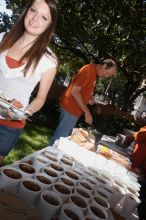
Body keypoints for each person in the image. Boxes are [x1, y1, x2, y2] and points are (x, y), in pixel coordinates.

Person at [0, 0, 58, 164]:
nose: (35, 19)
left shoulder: (49, 60)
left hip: (9, 126)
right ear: (26, 11)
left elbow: (40, 98)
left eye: (44, 17)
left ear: (49, 24)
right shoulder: (3, 38)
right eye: (33, 10)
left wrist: (25, 111)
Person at [49, 59, 117, 146]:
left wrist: (88, 98)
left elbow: (81, 91)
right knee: (59, 140)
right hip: (70, 108)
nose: (107, 76)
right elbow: (75, 91)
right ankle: (44, 157)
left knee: (62, 139)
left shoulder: (93, 73)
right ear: (104, 66)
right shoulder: (89, 70)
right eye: (108, 73)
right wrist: (87, 111)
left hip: (73, 109)